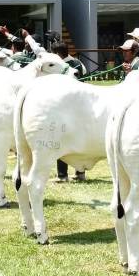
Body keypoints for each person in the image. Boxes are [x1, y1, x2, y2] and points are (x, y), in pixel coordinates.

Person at [51, 42, 88, 182]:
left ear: (58, 54)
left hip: (65, 107)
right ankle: (80, 173)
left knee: (63, 141)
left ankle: (62, 175)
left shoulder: (61, 67)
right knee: (78, 141)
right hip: (81, 106)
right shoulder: (78, 63)